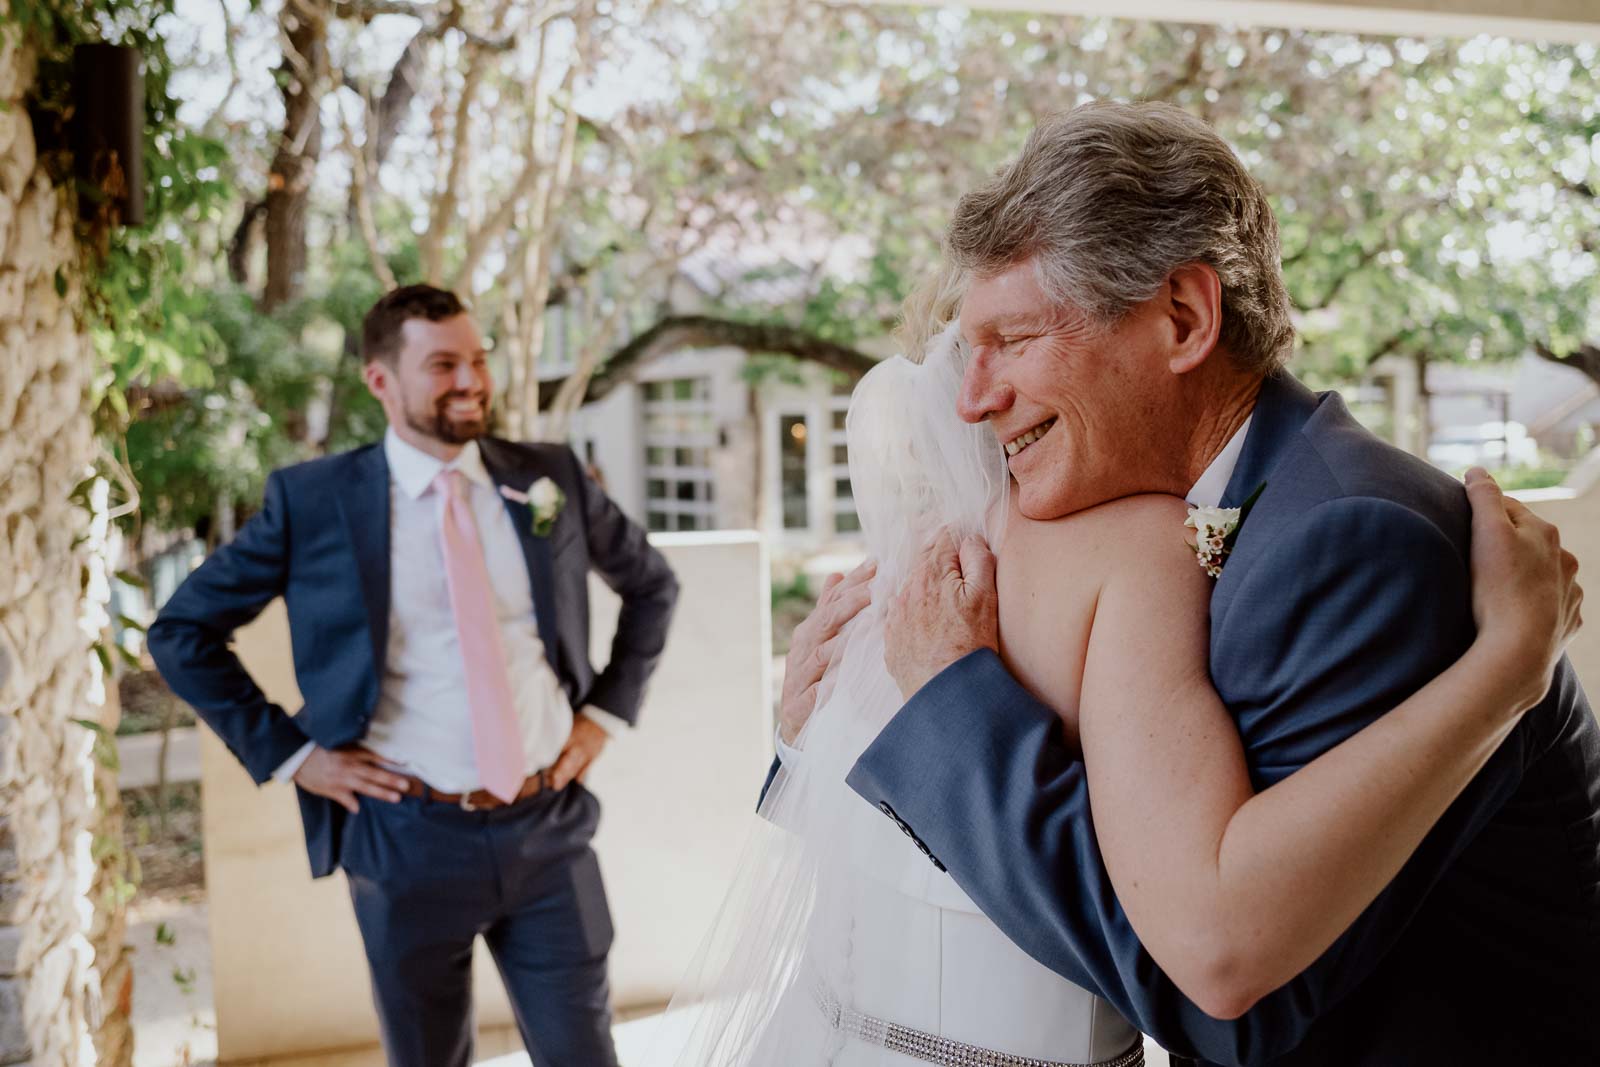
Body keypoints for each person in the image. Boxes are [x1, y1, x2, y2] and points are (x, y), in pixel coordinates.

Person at [776, 102, 1599, 1067]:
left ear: (1182, 319)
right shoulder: (1158, 516)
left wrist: (953, 701)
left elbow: (1226, 993)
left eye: (1017, 339)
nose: (971, 397)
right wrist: (825, 733)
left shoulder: (1354, 535)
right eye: (970, 348)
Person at [147, 284, 679, 1067]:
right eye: (442, 365)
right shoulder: (314, 501)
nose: (471, 381)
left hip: (548, 829)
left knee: (585, 1055)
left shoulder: (548, 476)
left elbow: (651, 584)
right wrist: (297, 756)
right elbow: (182, 631)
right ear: (380, 381)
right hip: (404, 839)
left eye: (477, 360)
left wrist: (604, 713)